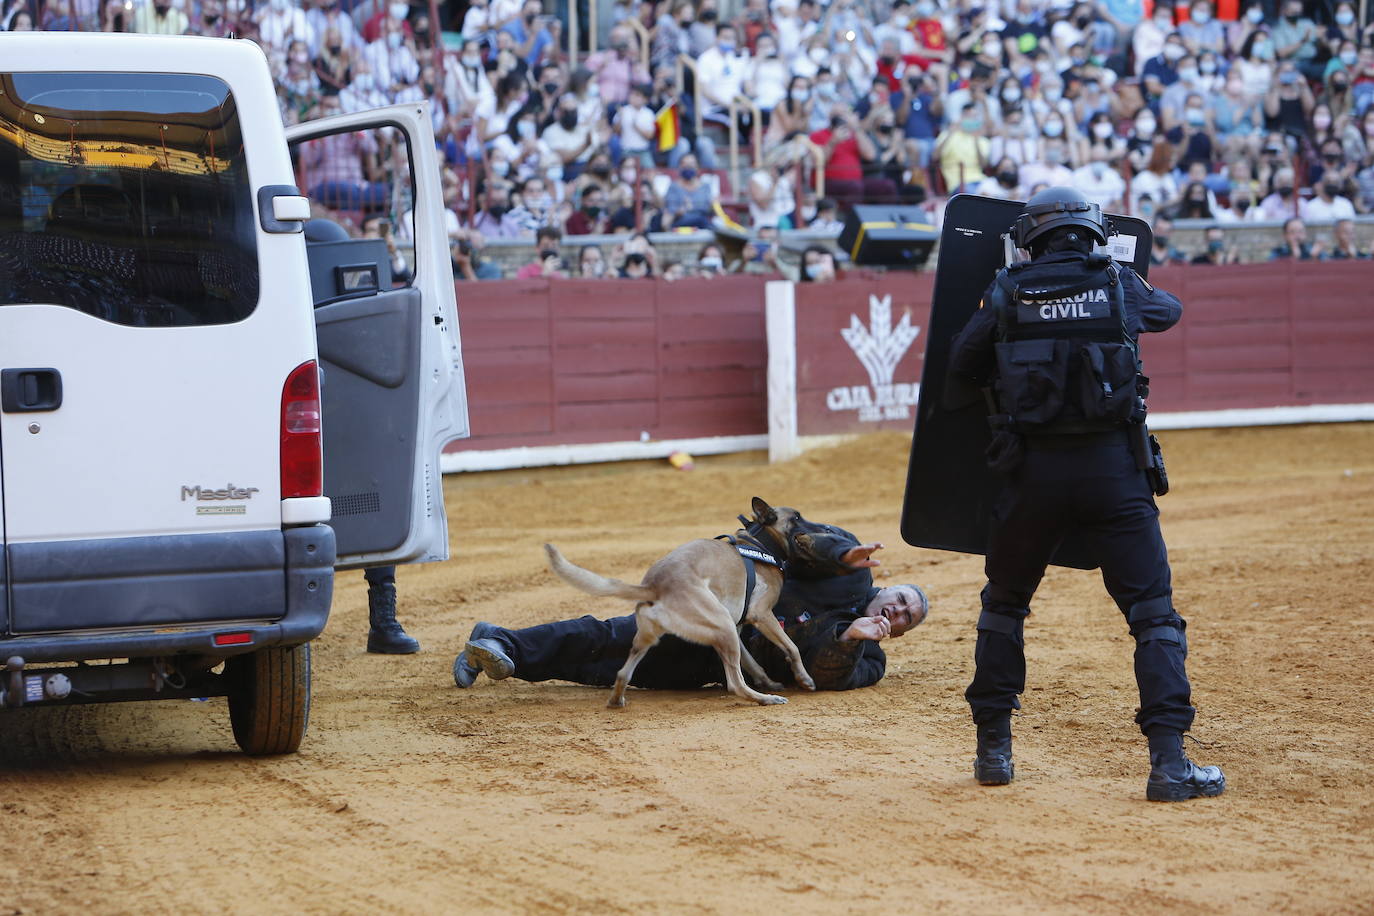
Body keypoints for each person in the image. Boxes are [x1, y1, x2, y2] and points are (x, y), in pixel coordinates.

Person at [945, 187, 1226, 803]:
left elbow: (961, 366)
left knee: (1004, 606)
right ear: (1092, 232)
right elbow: (1170, 311)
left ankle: (993, 751)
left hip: (1031, 476)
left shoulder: (1007, 290)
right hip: (1114, 475)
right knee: (1152, 615)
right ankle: (1169, 765)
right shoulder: (1117, 281)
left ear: (1032, 236)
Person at [452, 515, 929, 693]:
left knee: (602, 671)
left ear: (902, 633)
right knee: (610, 634)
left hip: (710, 671)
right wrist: (841, 555)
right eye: (903, 599)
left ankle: (503, 654)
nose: (899, 611)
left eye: (908, 618)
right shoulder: (849, 565)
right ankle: (502, 643)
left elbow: (824, 679)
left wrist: (848, 640)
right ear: (890, 588)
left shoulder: (871, 660)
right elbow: (797, 535)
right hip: (705, 607)